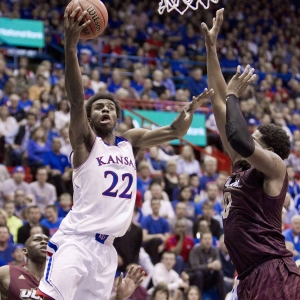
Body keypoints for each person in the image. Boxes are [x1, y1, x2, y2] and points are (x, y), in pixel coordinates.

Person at [37, 7, 214, 300]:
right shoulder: (85, 142)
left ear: (117, 118)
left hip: (107, 251)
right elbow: (76, 100)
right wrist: (70, 47)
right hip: (76, 242)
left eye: (109, 107)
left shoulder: (129, 142)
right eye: (99, 108)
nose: (104, 109)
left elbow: (174, 132)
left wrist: (188, 112)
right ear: (91, 118)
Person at [202, 8, 300, 299]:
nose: (248, 142)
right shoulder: (241, 167)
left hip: (273, 273)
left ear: (268, 149)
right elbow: (219, 102)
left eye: (255, 139)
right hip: (246, 277)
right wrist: (211, 48)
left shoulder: (274, 166)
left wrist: (234, 96)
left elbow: (240, 138)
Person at [0, 233, 145, 300]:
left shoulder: (66, 276)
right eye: (37, 240)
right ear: (24, 250)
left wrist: (119, 297)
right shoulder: (7, 272)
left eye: (47, 241)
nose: (44, 242)